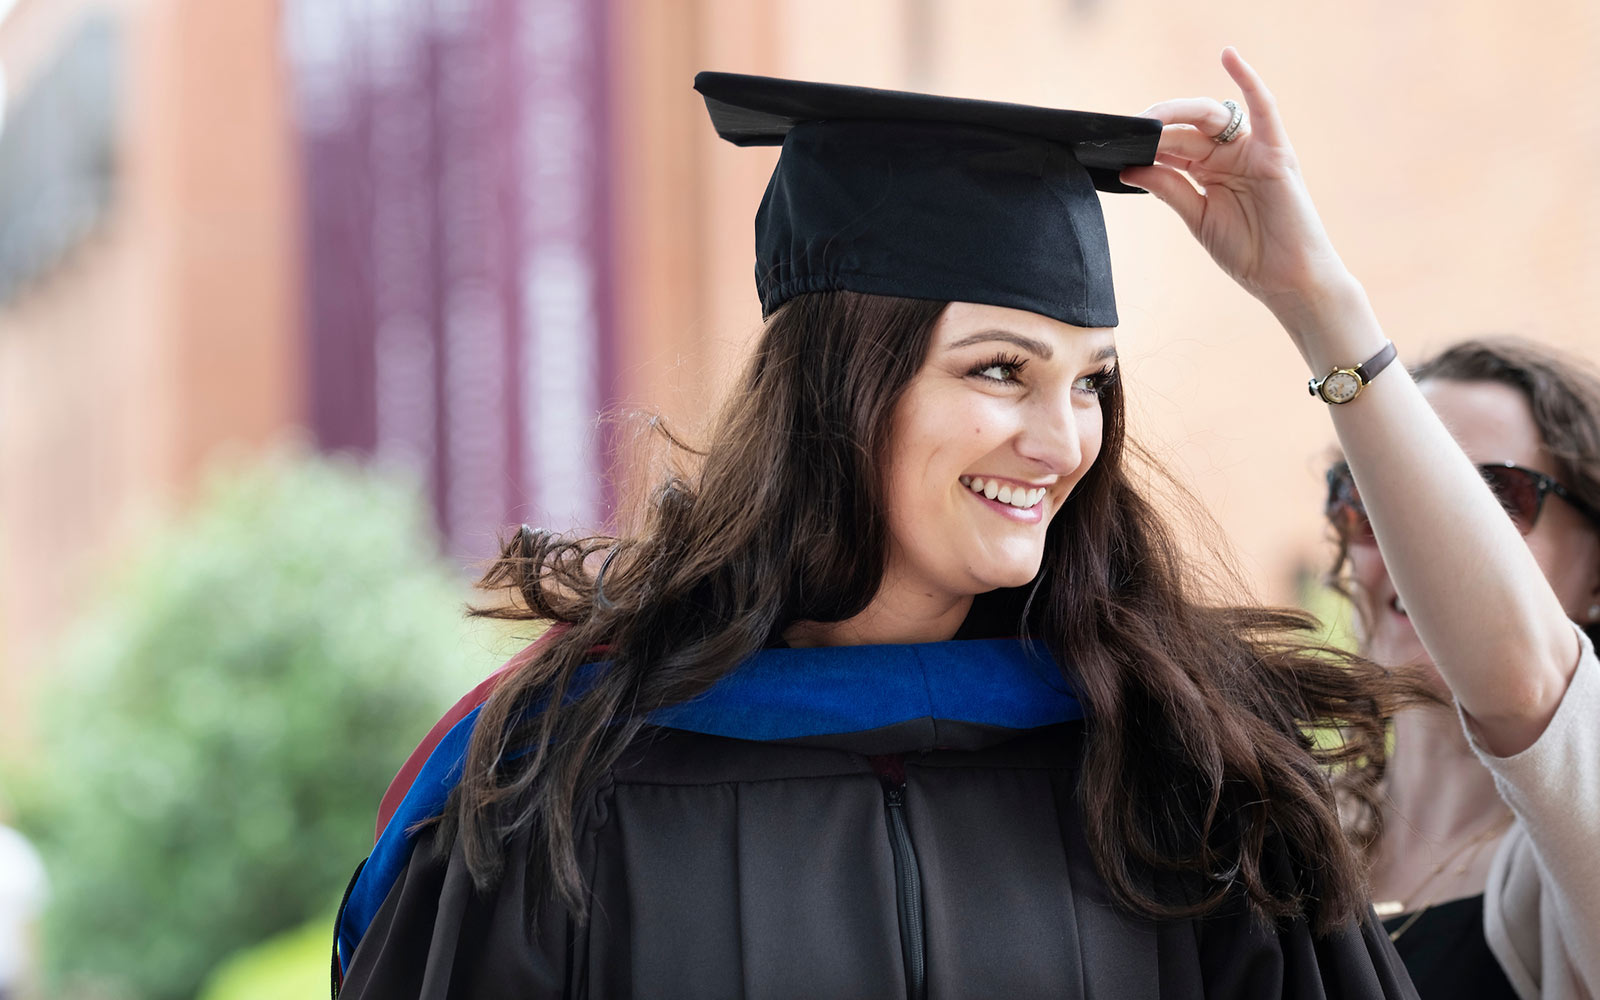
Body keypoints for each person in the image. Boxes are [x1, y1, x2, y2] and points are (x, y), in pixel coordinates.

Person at [333, 53, 1432, 998]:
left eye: (1090, 382)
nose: (1062, 443)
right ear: (841, 390)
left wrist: (1318, 301)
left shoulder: (1186, 763)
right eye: (999, 370)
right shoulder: (559, 776)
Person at [1316, 337, 1600, 999]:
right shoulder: (1276, 840)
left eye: (1490, 500)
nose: (1408, 543)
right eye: (1374, 499)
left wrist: (1315, 304)